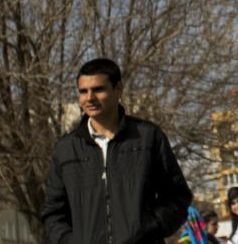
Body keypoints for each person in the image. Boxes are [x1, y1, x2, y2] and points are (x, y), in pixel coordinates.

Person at [42, 57, 192, 243]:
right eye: (83, 91)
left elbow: (177, 197)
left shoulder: (148, 137)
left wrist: (148, 229)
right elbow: (53, 214)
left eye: (98, 89)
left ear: (118, 89)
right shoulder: (65, 150)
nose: (89, 98)